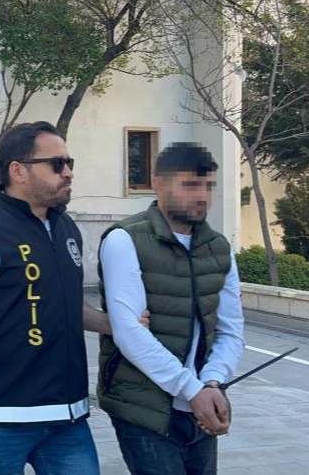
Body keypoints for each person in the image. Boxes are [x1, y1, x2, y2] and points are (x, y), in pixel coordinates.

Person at [0, 121, 109, 475]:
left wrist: (119, 325)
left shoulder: (65, 228)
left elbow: (67, 307)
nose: (68, 172)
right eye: (56, 164)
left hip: (68, 420)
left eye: (69, 162)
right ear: (18, 171)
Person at [97, 142, 245, 475]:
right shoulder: (125, 240)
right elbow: (129, 332)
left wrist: (213, 382)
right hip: (143, 407)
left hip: (201, 403)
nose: (202, 196)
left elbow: (230, 329)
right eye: (190, 185)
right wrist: (191, 389)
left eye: (208, 186)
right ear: (158, 184)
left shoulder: (219, 248)